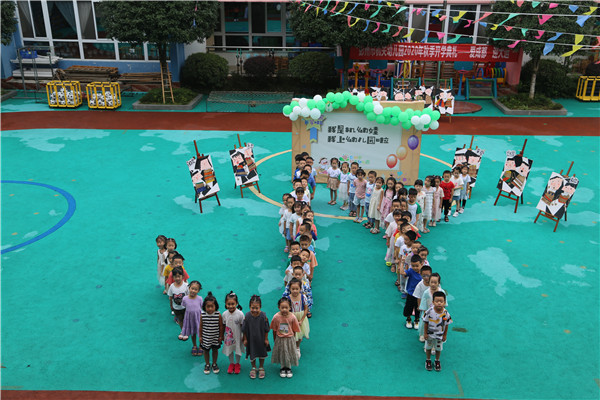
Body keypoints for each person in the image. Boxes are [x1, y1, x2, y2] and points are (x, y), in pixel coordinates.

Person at [271, 297, 300, 378]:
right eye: (282, 307)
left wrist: (293, 339)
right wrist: (275, 339)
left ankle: (289, 367)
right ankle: (283, 368)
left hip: (289, 338)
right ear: (279, 307)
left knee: (289, 353)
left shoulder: (293, 317)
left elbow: (295, 330)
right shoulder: (276, 317)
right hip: (280, 338)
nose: (284, 310)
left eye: (286, 307)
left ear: (290, 307)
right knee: (282, 353)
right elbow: (274, 329)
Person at [242, 295, 270, 379]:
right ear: (249, 307)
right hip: (251, 340)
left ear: (260, 307)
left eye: (257, 308)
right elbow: (244, 329)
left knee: (262, 353)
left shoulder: (263, 316)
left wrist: (266, 339)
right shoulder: (247, 316)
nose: (254, 310)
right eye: (252, 308)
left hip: (261, 339)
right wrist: (245, 339)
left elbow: (266, 329)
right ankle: (253, 367)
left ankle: (261, 367)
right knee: (252, 353)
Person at [423, 291, 452, 372]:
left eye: (441, 301)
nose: (439, 303)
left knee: (438, 349)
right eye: (437, 301)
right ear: (433, 302)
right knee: (428, 347)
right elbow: (426, 323)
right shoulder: (429, 311)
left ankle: (437, 360)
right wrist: (425, 333)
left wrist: (445, 335)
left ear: (444, 302)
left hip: (439, 336)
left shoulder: (446, 313)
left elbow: (446, 325)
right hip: (430, 335)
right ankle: (428, 360)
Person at [285, 278, 310, 359]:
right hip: (291, 318)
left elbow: (306, 309)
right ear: (290, 289)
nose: (295, 291)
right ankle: (290, 347)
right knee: (290, 334)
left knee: (300, 333)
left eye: (297, 289)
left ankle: (297, 347)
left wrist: (301, 320)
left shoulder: (303, 297)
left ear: (300, 289)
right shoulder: (288, 298)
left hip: (300, 318)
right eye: (293, 289)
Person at [200, 292, 223, 374]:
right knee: (206, 351)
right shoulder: (202, 315)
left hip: (215, 337)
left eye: (212, 306)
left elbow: (221, 326)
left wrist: (220, 336)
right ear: (204, 307)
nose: (210, 309)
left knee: (215, 350)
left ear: (215, 306)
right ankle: (207, 364)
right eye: (208, 306)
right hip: (206, 338)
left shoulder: (218, 315)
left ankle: (214, 363)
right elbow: (200, 327)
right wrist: (200, 337)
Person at [222, 291, 245, 374]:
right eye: (228, 304)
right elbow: (223, 325)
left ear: (237, 303)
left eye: (233, 304)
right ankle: (231, 363)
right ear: (225, 304)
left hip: (238, 336)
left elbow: (243, 326)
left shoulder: (240, 314)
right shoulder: (224, 314)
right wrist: (222, 336)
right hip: (228, 337)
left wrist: (244, 337)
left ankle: (237, 364)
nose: (231, 306)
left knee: (237, 349)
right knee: (230, 349)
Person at [418, 273, 444, 343]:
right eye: (431, 282)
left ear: (438, 283)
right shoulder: (426, 293)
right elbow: (423, 303)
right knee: (424, 324)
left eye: (435, 282)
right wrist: (425, 313)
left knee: (436, 326)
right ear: (429, 282)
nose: (433, 284)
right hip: (427, 312)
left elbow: (444, 303)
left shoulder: (441, 292)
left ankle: (435, 337)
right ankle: (422, 334)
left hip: (438, 313)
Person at [181, 280, 203, 356]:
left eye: (196, 289)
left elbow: (201, 307)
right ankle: (194, 345)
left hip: (199, 319)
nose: (193, 291)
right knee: (193, 333)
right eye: (192, 288)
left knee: (200, 333)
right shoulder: (185, 298)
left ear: (198, 291)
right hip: (190, 319)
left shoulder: (200, 299)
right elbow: (184, 306)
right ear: (189, 288)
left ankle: (201, 345)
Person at [400, 255, 423, 329]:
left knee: (418, 308)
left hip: (419, 295)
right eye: (413, 266)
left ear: (421, 264)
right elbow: (402, 273)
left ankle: (417, 320)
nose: (415, 268)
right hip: (410, 294)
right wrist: (402, 263)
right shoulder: (410, 271)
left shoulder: (423, 273)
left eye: (417, 266)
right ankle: (408, 319)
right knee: (408, 307)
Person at [168, 267, 189, 335]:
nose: (177, 278)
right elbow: (170, 297)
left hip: (185, 308)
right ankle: (183, 331)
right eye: (175, 276)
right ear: (173, 277)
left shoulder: (186, 286)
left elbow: (189, 297)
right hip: (176, 308)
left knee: (186, 320)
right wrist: (171, 305)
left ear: (182, 276)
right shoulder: (171, 286)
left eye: (179, 276)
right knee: (180, 320)